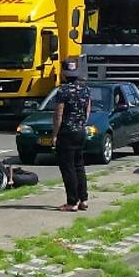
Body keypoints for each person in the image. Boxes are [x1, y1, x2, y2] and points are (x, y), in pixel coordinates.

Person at [51, 59, 91, 212]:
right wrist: (81, 123)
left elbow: (58, 114)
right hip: (80, 131)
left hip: (67, 132)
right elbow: (87, 110)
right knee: (79, 165)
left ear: (64, 72)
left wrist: (55, 134)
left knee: (68, 168)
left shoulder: (63, 90)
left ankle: (72, 201)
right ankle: (84, 199)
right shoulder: (85, 89)